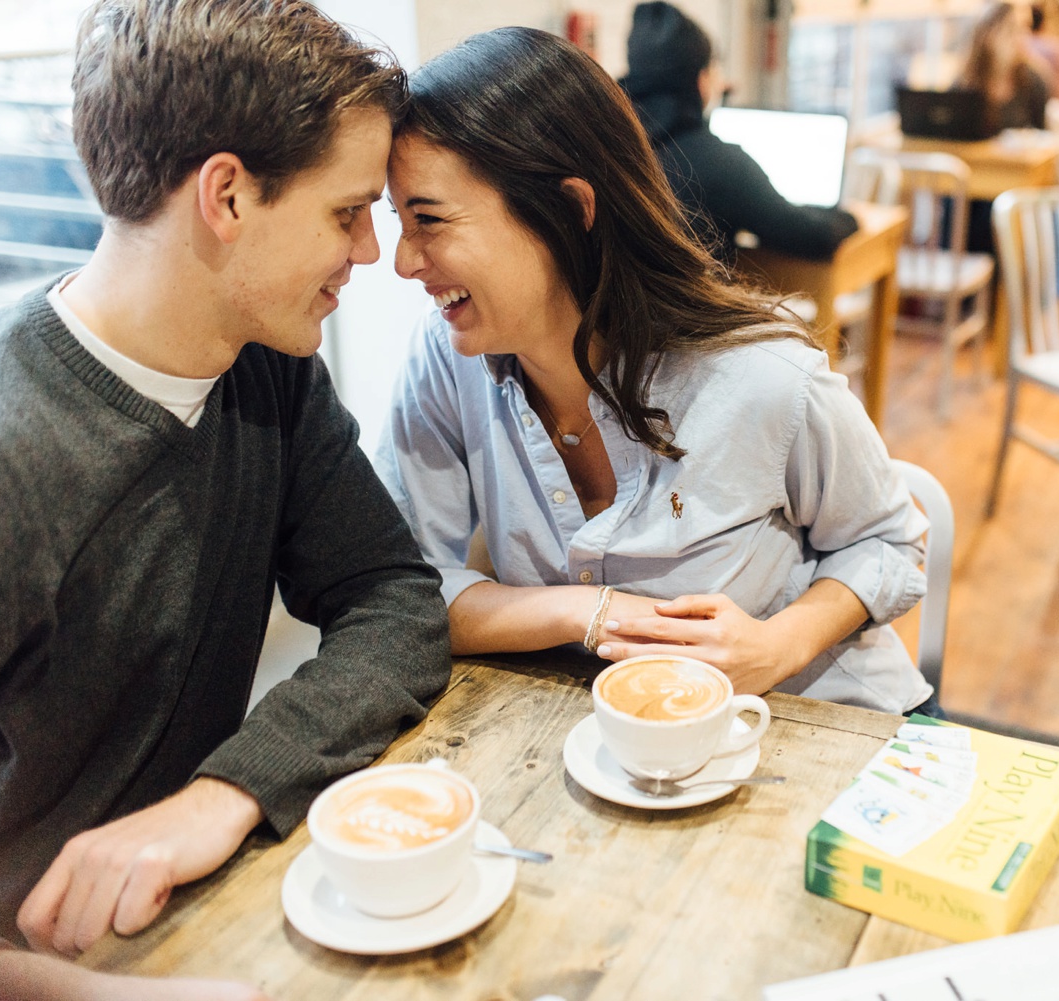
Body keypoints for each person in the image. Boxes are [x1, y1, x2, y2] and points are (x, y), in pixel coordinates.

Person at [0, 1, 451, 996]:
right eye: (346, 211)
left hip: (198, 909)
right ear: (226, 196)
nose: (369, 252)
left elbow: (393, 597)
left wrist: (228, 787)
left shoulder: (265, 369)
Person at [374, 28, 936, 718]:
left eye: (427, 219)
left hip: (827, 727)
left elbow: (890, 537)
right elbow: (403, 587)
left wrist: (773, 647)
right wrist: (585, 610)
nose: (403, 261)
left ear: (571, 209)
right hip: (635, 739)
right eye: (396, 218)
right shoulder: (448, 358)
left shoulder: (759, 375)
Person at [619, 1, 857, 264]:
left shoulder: (609, 141)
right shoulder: (719, 162)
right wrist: (849, 219)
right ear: (701, 81)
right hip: (694, 305)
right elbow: (811, 237)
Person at [959, 2, 1052, 131]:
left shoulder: (1034, 82)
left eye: (1026, 28)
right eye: (1013, 30)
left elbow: (1042, 138)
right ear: (988, 33)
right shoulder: (965, 81)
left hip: (1021, 151)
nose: (1022, 37)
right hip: (973, 151)